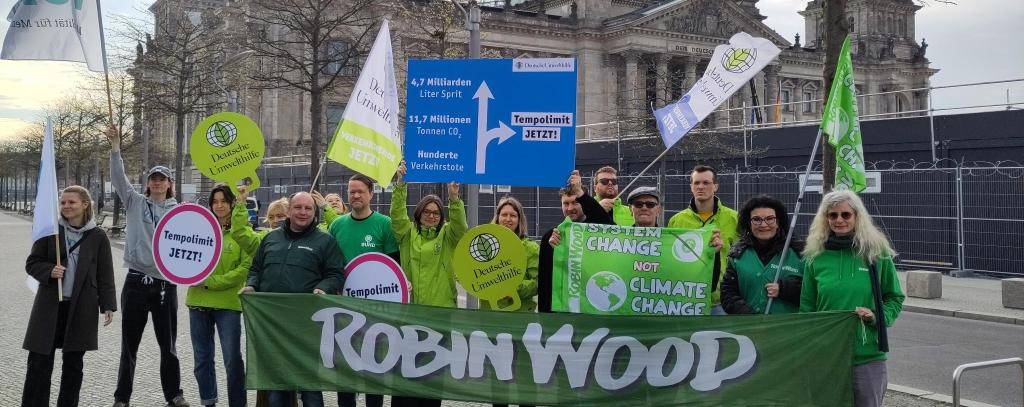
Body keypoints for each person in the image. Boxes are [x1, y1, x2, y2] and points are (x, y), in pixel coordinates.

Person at [107, 126, 189, 407]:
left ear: (169, 183)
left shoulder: (180, 212)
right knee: (129, 345)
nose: (156, 183)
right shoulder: (133, 202)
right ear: (148, 183)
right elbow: (118, 179)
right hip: (136, 282)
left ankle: (174, 394)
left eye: (161, 179)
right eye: (153, 178)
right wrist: (116, 148)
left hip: (166, 286)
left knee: (169, 346)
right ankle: (122, 397)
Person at [800, 190, 904, 407]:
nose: (839, 220)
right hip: (826, 354)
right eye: (833, 215)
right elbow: (807, 308)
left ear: (857, 216)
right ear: (825, 219)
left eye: (845, 215)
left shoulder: (876, 253)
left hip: (866, 355)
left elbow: (894, 297)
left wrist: (876, 316)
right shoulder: (814, 256)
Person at [240, 192, 345, 407]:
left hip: (307, 325)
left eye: (308, 208)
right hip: (273, 325)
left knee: (309, 386)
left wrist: (322, 288)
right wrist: (251, 284)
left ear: (315, 212)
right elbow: (256, 269)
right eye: (298, 207)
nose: (303, 212)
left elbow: (336, 274)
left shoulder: (325, 241)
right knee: (277, 387)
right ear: (289, 211)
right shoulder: (270, 238)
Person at [22, 186, 117, 407]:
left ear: (85, 204)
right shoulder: (51, 232)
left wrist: (108, 305)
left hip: (81, 308)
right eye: (63, 202)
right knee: (39, 363)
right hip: (49, 307)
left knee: (74, 366)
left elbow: (105, 273)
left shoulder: (98, 236)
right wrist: (49, 271)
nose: (66, 206)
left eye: (71, 202)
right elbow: (32, 263)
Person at [389, 164, 467, 407]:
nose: (431, 215)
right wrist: (401, 184)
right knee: (404, 371)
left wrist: (454, 198)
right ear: (419, 213)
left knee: (433, 373)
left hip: (439, 314)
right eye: (427, 211)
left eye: (436, 212)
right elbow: (396, 215)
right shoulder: (406, 234)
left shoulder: (447, 236)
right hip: (408, 314)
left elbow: (460, 227)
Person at [327, 173, 398, 407]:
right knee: (344, 368)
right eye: (351, 191)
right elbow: (329, 263)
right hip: (343, 308)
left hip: (375, 311)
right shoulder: (337, 225)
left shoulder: (384, 224)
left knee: (373, 368)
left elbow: (393, 265)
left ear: (371, 194)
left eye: (360, 191)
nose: (355, 195)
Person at [187, 184, 252, 407]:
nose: (219, 205)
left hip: (228, 305)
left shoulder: (243, 234)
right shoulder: (199, 231)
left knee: (233, 360)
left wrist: (210, 282)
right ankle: (208, 401)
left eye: (224, 200)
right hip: (198, 303)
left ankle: (237, 404)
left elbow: (244, 270)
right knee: (202, 360)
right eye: (215, 201)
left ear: (233, 203)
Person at [539, 171, 615, 313]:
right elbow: (544, 281)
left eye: (575, 202)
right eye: (565, 203)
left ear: (583, 202)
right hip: (561, 311)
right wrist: (544, 315)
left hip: (592, 307)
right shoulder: (551, 236)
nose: (570, 208)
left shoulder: (597, 231)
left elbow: (610, 227)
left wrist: (580, 191)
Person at [666, 165, 738, 315]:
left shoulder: (733, 218)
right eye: (696, 183)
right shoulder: (676, 220)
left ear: (715, 186)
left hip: (721, 299)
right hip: (686, 298)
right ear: (691, 187)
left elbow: (742, 256)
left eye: (706, 183)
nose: (701, 187)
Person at [721, 195, 803, 315]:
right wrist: (750, 317)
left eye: (770, 219)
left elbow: (812, 292)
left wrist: (785, 289)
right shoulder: (738, 255)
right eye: (757, 219)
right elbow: (727, 294)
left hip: (789, 329)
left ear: (778, 222)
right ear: (749, 223)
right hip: (750, 329)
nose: (764, 225)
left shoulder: (798, 254)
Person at [483, 196, 539, 312]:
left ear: (519, 220)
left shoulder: (531, 248)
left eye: (513, 215)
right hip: (488, 313)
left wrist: (514, 289)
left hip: (520, 315)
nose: (508, 219)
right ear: (497, 218)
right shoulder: (484, 245)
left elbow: (537, 283)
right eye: (504, 215)